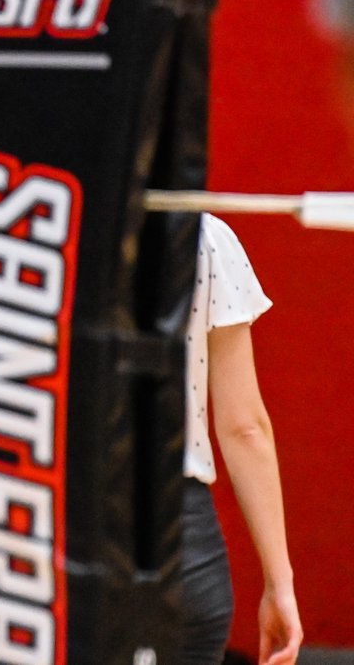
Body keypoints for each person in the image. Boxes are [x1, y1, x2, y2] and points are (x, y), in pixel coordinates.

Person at [182, 214, 302, 665]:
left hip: (44, 525)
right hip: (184, 546)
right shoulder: (206, 237)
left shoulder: (5, 237)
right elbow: (244, 427)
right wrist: (280, 585)